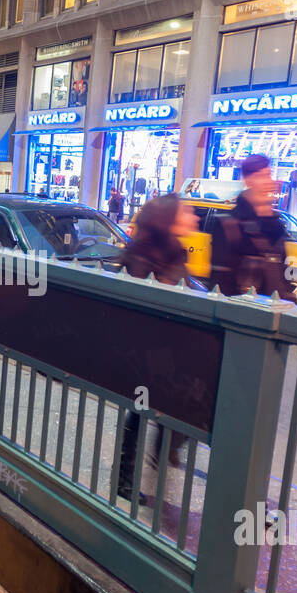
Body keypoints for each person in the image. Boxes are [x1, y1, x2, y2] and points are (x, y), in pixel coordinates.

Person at [115, 194, 197, 508]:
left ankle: (159, 452)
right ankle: (126, 477)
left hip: (170, 350)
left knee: (143, 411)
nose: (194, 217)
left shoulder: (174, 251)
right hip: (148, 352)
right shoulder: (143, 256)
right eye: (187, 212)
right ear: (170, 219)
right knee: (140, 411)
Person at [207, 154, 296, 300]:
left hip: (274, 310)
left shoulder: (276, 224)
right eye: (261, 176)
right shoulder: (229, 223)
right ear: (248, 181)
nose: (269, 182)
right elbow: (219, 283)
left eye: (269, 175)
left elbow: (287, 272)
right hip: (242, 310)